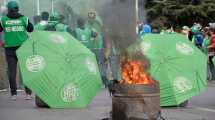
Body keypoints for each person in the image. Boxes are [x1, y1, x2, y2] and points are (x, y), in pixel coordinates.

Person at [0, 1, 34, 100]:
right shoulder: (24, 19)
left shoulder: (4, 20)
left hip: (9, 49)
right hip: (23, 48)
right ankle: (28, 94)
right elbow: (31, 29)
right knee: (26, 71)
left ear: (8, 9)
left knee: (12, 72)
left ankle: (14, 94)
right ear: (17, 8)